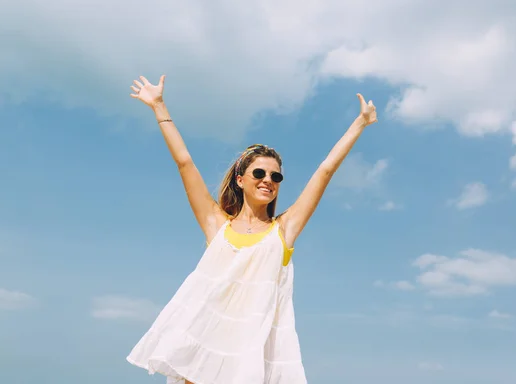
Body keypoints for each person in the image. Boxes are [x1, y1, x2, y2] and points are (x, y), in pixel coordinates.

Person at [126, 75, 378, 384]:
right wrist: (159, 107)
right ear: (240, 179)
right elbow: (185, 163)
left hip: (248, 365)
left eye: (276, 177)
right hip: (201, 355)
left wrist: (360, 124)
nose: (268, 180)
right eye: (259, 172)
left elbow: (325, 171)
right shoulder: (216, 224)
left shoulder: (283, 231)